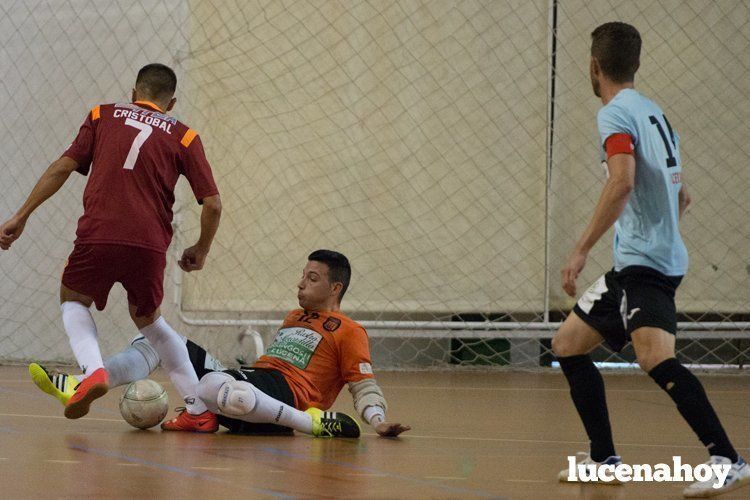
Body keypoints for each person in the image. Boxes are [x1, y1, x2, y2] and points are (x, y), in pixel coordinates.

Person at [551, 22, 748, 497]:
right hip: (641, 261)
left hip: (647, 264)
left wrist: (579, 250)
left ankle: (727, 458)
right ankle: (604, 460)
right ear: (635, 64)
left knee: (655, 358)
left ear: (594, 67)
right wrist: (659, 225)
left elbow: (621, 182)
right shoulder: (653, 112)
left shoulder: (614, 117)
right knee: (567, 345)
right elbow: (682, 194)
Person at [1, 64, 222, 431]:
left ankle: (93, 372)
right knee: (151, 322)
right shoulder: (185, 137)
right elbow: (213, 204)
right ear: (172, 102)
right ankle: (198, 412)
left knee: (73, 299)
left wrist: (21, 215)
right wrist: (201, 249)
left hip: (99, 234)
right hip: (150, 244)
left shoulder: (102, 115)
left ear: (135, 92)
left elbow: (62, 167)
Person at [31, 250, 410, 439]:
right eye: (302, 275)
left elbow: (364, 384)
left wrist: (377, 421)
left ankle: (311, 425)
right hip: (254, 385)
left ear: (335, 288)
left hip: (286, 398)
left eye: (311, 278)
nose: (300, 284)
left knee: (214, 386)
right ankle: (82, 384)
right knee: (156, 339)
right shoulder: (294, 318)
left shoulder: (349, 330)